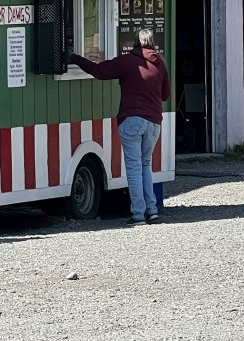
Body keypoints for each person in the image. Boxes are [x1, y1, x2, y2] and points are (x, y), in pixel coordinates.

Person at [68, 28, 169, 225]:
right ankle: (152, 210)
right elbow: (165, 96)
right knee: (146, 165)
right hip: (154, 122)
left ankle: (138, 214)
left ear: (135, 43)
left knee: (133, 167)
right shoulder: (160, 64)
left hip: (132, 120)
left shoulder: (128, 62)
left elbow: (99, 71)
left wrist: (74, 58)